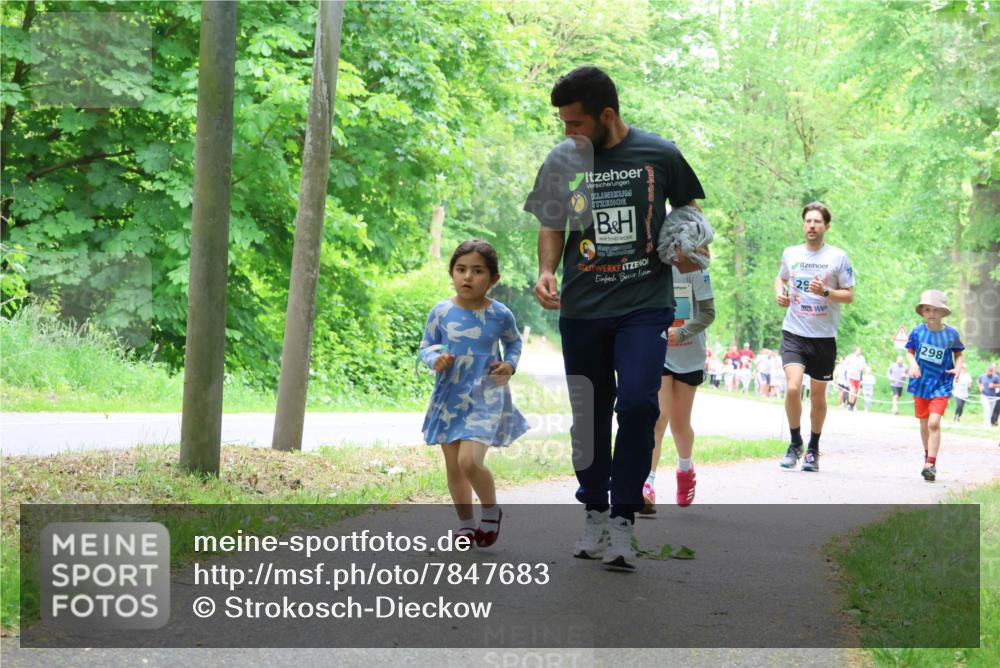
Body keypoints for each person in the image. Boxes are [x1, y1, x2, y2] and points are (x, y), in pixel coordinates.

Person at [525, 66, 706, 572]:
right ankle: (594, 512)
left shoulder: (660, 154)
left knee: (637, 404)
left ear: (607, 116)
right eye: (563, 123)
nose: (568, 133)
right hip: (582, 308)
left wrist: (690, 248)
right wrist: (545, 270)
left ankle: (624, 518)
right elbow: (550, 222)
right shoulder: (562, 160)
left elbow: (690, 215)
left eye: (576, 122)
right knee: (589, 415)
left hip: (643, 306)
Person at [418, 240, 529, 547]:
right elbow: (426, 346)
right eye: (461, 269)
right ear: (452, 273)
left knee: (469, 461)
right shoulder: (441, 312)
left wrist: (510, 365)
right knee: (454, 466)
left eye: (477, 271)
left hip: (486, 396)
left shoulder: (500, 314)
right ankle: (466, 525)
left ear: (493, 279)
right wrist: (434, 359)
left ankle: (491, 511)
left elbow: (514, 343)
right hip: (448, 397)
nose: (467, 277)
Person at [774, 202, 855, 472]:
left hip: (823, 337)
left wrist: (826, 292)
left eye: (817, 221)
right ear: (803, 225)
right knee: (794, 387)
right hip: (794, 331)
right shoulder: (790, 253)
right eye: (808, 221)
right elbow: (780, 278)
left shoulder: (838, 257)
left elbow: (849, 295)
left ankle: (813, 449)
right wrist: (780, 293)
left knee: (818, 396)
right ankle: (795, 442)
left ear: (826, 226)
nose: (812, 225)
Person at [643, 267, 716, 513]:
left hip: (689, 355)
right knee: (659, 418)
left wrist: (683, 331)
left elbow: (708, 313)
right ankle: (647, 484)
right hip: (659, 351)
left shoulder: (695, 269)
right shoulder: (651, 264)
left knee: (680, 424)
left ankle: (685, 470)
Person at [905, 290, 965, 481]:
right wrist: (913, 364)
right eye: (926, 309)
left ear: (942, 312)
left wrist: (958, 369)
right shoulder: (917, 332)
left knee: (933, 422)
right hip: (921, 383)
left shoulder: (951, 334)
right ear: (922, 312)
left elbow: (959, 354)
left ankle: (931, 462)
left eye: (934, 310)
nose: (930, 313)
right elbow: (910, 352)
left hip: (941, 384)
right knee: (924, 424)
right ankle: (928, 460)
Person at [844, 346, 866, 411]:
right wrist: (848, 369)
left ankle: (851, 405)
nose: (860, 352)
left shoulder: (862, 358)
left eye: (860, 350)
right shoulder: (850, 357)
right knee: (852, 390)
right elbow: (845, 364)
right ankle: (849, 404)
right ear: (855, 350)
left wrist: (864, 368)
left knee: (855, 392)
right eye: (859, 350)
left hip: (857, 377)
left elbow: (864, 365)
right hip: (850, 376)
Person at [978, 363, 1000, 428]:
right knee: (987, 409)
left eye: (991, 371)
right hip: (984, 396)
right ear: (986, 370)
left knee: (990, 410)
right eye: (988, 370)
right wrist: (980, 387)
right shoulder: (982, 376)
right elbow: (978, 381)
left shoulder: (995, 377)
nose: (989, 372)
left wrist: (994, 385)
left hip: (993, 396)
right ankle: (987, 424)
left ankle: (987, 423)